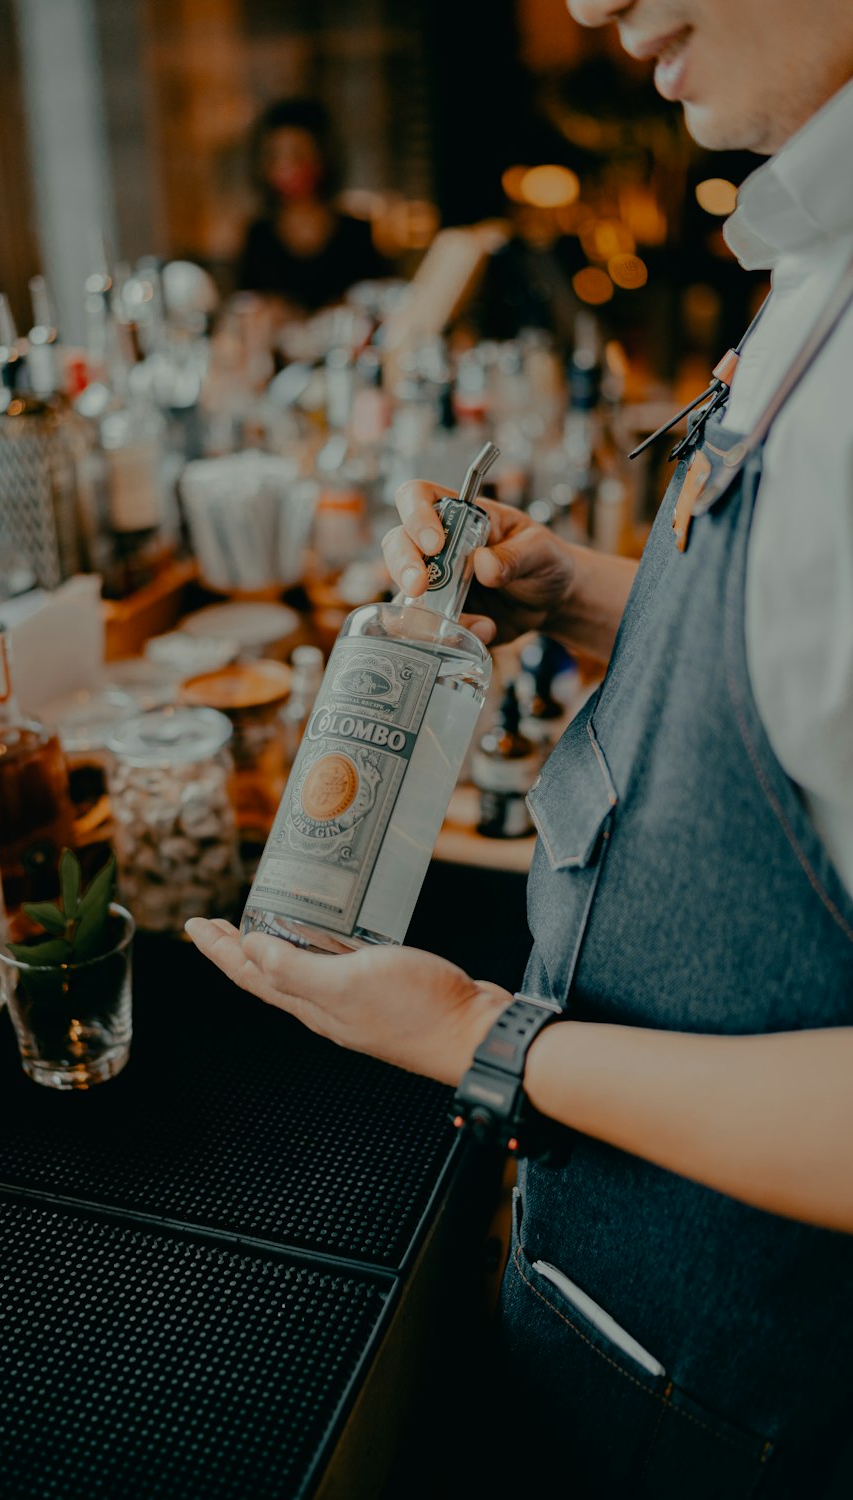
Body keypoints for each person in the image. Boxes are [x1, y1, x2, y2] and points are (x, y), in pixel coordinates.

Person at [191, 2, 853, 1491]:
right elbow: (810, 684)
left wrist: (481, 1038)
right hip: (636, 1319)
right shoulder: (817, 256)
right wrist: (583, 595)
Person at [237, 97, 391, 313]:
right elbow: (246, 305)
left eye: (298, 154)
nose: (287, 167)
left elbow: (380, 299)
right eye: (276, 157)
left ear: (322, 156)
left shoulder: (356, 232)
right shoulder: (259, 236)